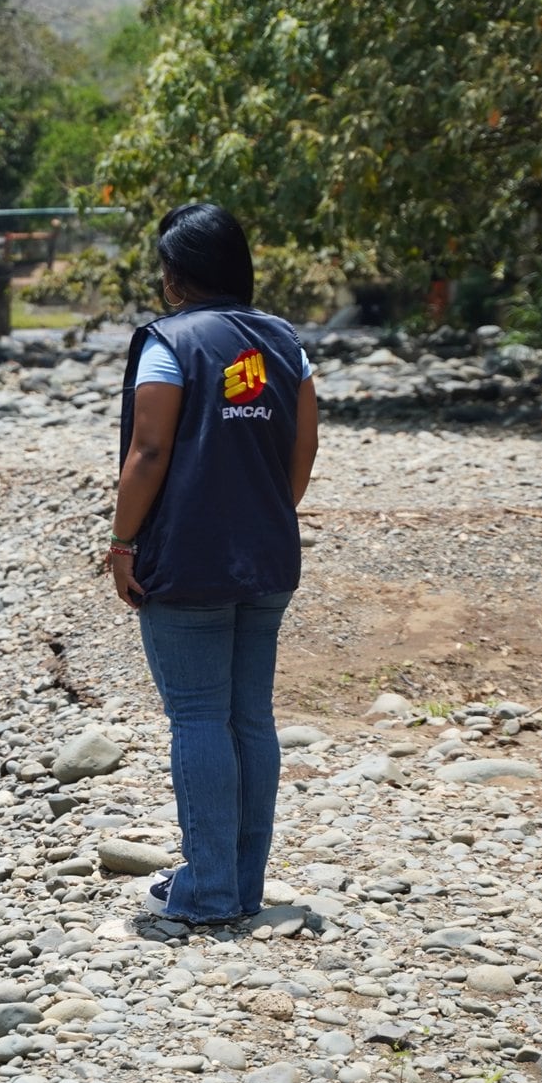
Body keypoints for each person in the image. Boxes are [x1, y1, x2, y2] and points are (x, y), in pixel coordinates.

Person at [106, 202, 319, 927]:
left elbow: (150, 452)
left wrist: (123, 541)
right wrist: (261, 515)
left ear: (178, 273)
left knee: (198, 716)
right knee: (249, 717)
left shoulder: (169, 343)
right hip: (267, 558)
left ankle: (208, 890)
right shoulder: (287, 343)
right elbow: (302, 457)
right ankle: (241, 883)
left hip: (188, 559)